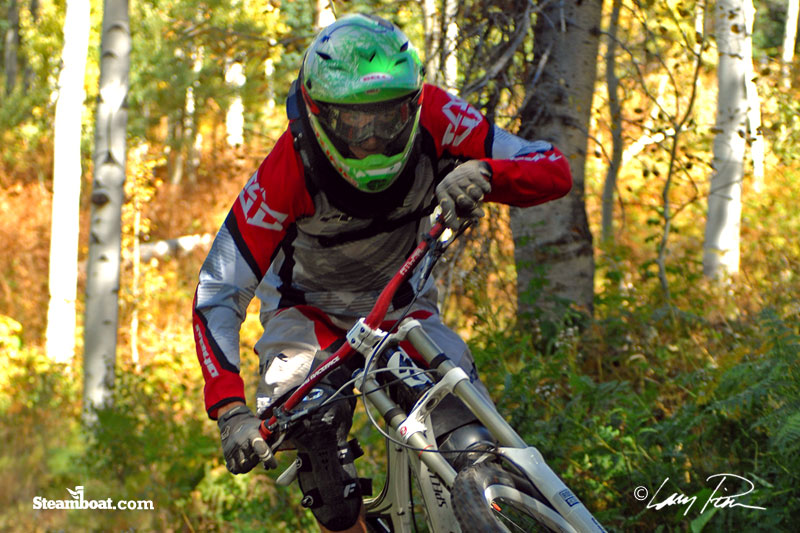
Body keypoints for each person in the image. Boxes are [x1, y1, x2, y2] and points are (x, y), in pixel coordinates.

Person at [192, 13, 572, 533]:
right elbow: (219, 288)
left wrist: (485, 172)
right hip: (309, 320)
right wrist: (230, 409)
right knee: (328, 481)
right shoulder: (288, 168)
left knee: (472, 444)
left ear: (414, 104)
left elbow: (552, 166)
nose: (371, 139)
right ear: (319, 114)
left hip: (402, 308)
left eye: (388, 118)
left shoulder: (441, 115)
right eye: (353, 123)